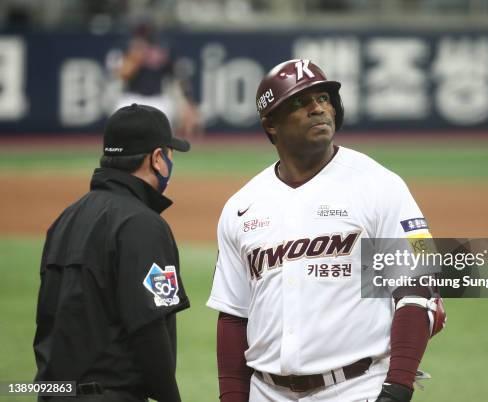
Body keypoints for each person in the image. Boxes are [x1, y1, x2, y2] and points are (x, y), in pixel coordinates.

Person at [206, 59, 445, 402]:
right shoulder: (242, 206)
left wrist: (398, 387)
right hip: (265, 392)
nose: (318, 109)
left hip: (355, 387)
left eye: (323, 99)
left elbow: (418, 285)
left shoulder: (380, 185)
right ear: (270, 124)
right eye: (300, 102)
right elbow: (233, 316)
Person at [34, 104, 191, 402]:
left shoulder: (65, 220)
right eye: (170, 154)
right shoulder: (143, 224)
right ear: (157, 159)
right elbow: (150, 329)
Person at [112, 20, 201, 139]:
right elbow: (123, 75)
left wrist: (189, 104)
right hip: (131, 98)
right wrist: (135, 56)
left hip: (157, 100)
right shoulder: (127, 47)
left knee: (162, 139)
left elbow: (180, 77)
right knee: (121, 135)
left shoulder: (162, 48)